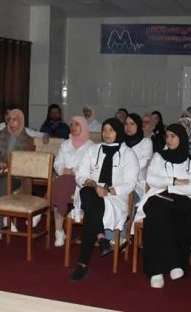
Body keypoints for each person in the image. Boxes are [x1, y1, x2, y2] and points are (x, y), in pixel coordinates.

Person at [69, 118, 139, 282]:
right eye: (104, 130)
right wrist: (88, 181)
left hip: (114, 197)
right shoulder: (93, 150)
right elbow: (80, 175)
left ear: (118, 132)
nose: (107, 134)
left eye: (111, 130)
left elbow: (130, 183)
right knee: (87, 192)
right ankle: (101, 237)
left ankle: (82, 264)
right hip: (89, 192)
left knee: (91, 211)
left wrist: (108, 191)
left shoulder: (128, 154)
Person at [134, 124, 191, 287]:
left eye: (173, 136)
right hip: (158, 195)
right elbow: (151, 179)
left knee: (180, 212)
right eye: (167, 136)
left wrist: (168, 186)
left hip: (184, 198)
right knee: (157, 212)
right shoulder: (159, 157)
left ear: (182, 138)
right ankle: (155, 270)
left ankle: (176, 262)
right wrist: (174, 181)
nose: (169, 140)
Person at [51, 116, 95, 247]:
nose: (73, 127)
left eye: (77, 124)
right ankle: (58, 231)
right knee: (60, 186)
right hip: (64, 178)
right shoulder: (66, 144)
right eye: (72, 124)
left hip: (80, 180)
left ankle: (59, 230)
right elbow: (57, 163)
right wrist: (62, 169)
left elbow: (91, 167)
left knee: (57, 187)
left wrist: (73, 171)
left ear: (84, 127)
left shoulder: (91, 146)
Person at [0, 109, 34, 233]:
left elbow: (24, 162)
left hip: (18, 176)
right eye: (9, 119)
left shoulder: (28, 139)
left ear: (21, 121)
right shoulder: (1, 134)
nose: (11, 122)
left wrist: (7, 165)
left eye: (15, 119)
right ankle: (5, 217)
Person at [124, 113, 154, 199]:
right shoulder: (121, 142)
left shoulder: (146, 142)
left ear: (138, 126)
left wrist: (123, 166)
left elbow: (142, 163)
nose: (128, 127)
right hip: (119, 181)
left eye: (132, 124)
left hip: (137, 184)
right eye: (126, 124)